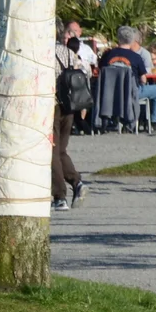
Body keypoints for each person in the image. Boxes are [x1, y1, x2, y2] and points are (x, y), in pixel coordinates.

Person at [51, 20, 91, 209]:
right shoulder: (69, 53)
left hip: (51, 105)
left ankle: (59, 196)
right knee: (61, 150)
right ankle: (77, 183)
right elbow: (86, 71)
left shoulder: (44, 54)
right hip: (69, 105)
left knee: (51, 151)